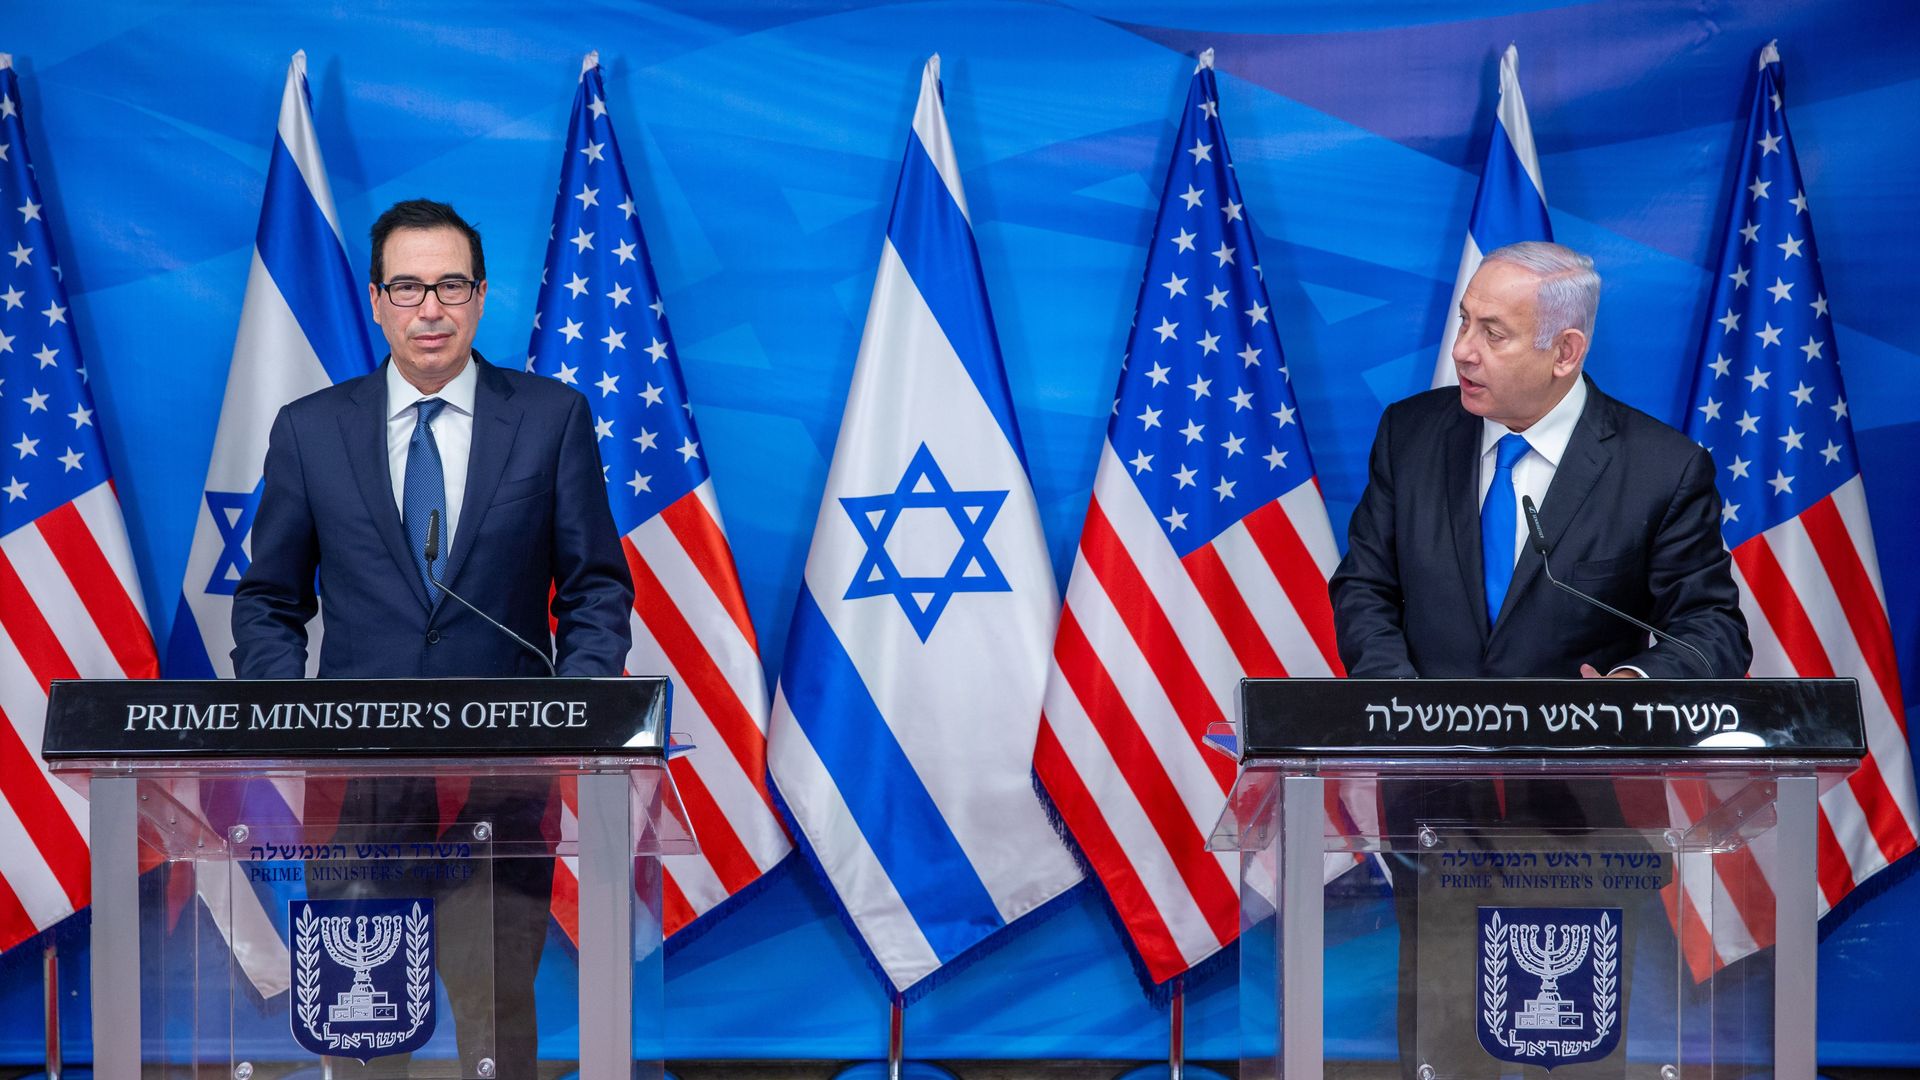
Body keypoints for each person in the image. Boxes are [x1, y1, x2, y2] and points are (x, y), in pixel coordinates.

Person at [1329, 241, 1751, 1076]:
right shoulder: (1411, 435)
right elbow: (1364, 589)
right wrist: (1405, 707)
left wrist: (1633, 688)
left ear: (1566, 352)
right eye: (1464, 322)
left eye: (1494, 332)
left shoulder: (1661, 469)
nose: (1463, 351)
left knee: (1570, 1048)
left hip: (1581, 821)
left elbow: (1712, 628)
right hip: (1432, 811)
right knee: (1447, 1047)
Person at [233, 199, 633, 1077]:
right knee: (364, 1036)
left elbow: (597, 586)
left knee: (495, 1029)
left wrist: (577, 714)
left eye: (451, 284)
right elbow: (268, 602)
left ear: (481, 296)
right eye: (407, 286)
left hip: (504, 787)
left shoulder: (550, 418)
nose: (430, 308)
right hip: (359, 792)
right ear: (377, 301)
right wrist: (289, 720)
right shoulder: (311, 430)